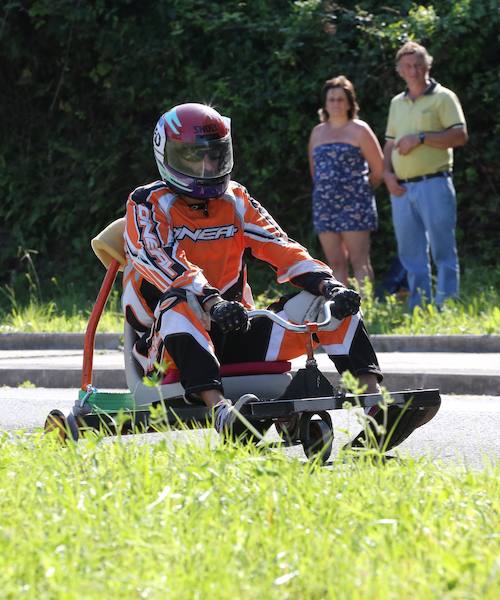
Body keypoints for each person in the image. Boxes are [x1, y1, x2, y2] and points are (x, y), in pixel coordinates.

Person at [124, 102, 383, 434]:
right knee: (179, 304)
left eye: (214, 155)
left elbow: (282, 247)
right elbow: (161, 263)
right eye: (193, 157)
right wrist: (212, 302)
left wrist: (329, 285)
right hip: (167, 348)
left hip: (233, 327)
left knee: (328, 305)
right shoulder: (146, 203)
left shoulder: (236, 199)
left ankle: (375, 404)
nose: (206, 166)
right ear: (168, 155)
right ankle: (219, 410)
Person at [383, 41, 468, 311]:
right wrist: (387, 174)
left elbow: (459, 135)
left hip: (435, 182)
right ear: (400, 70)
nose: (414, 70)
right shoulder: (397, 103)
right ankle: (419, 306)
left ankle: (447, 303)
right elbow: (389, 143)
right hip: (402, 189)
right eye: (408, 66)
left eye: (419, 64)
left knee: (443, 248)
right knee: (411, 254)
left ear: (428, 66)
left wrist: (420, 138)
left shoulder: (444, 97)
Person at [308, 75, 384, 289]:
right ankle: (342, 312)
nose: (336, 104)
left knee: (359, 261)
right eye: (331, 99)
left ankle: (366, 309)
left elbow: (378, 170)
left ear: (350, 102)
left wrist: (359, 191)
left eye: (340, 99)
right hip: (325, 205)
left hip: (355, 205)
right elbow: (315, 171)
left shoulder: (360, 130)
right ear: (325, 103)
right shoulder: (317, 132)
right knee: (334, 263)